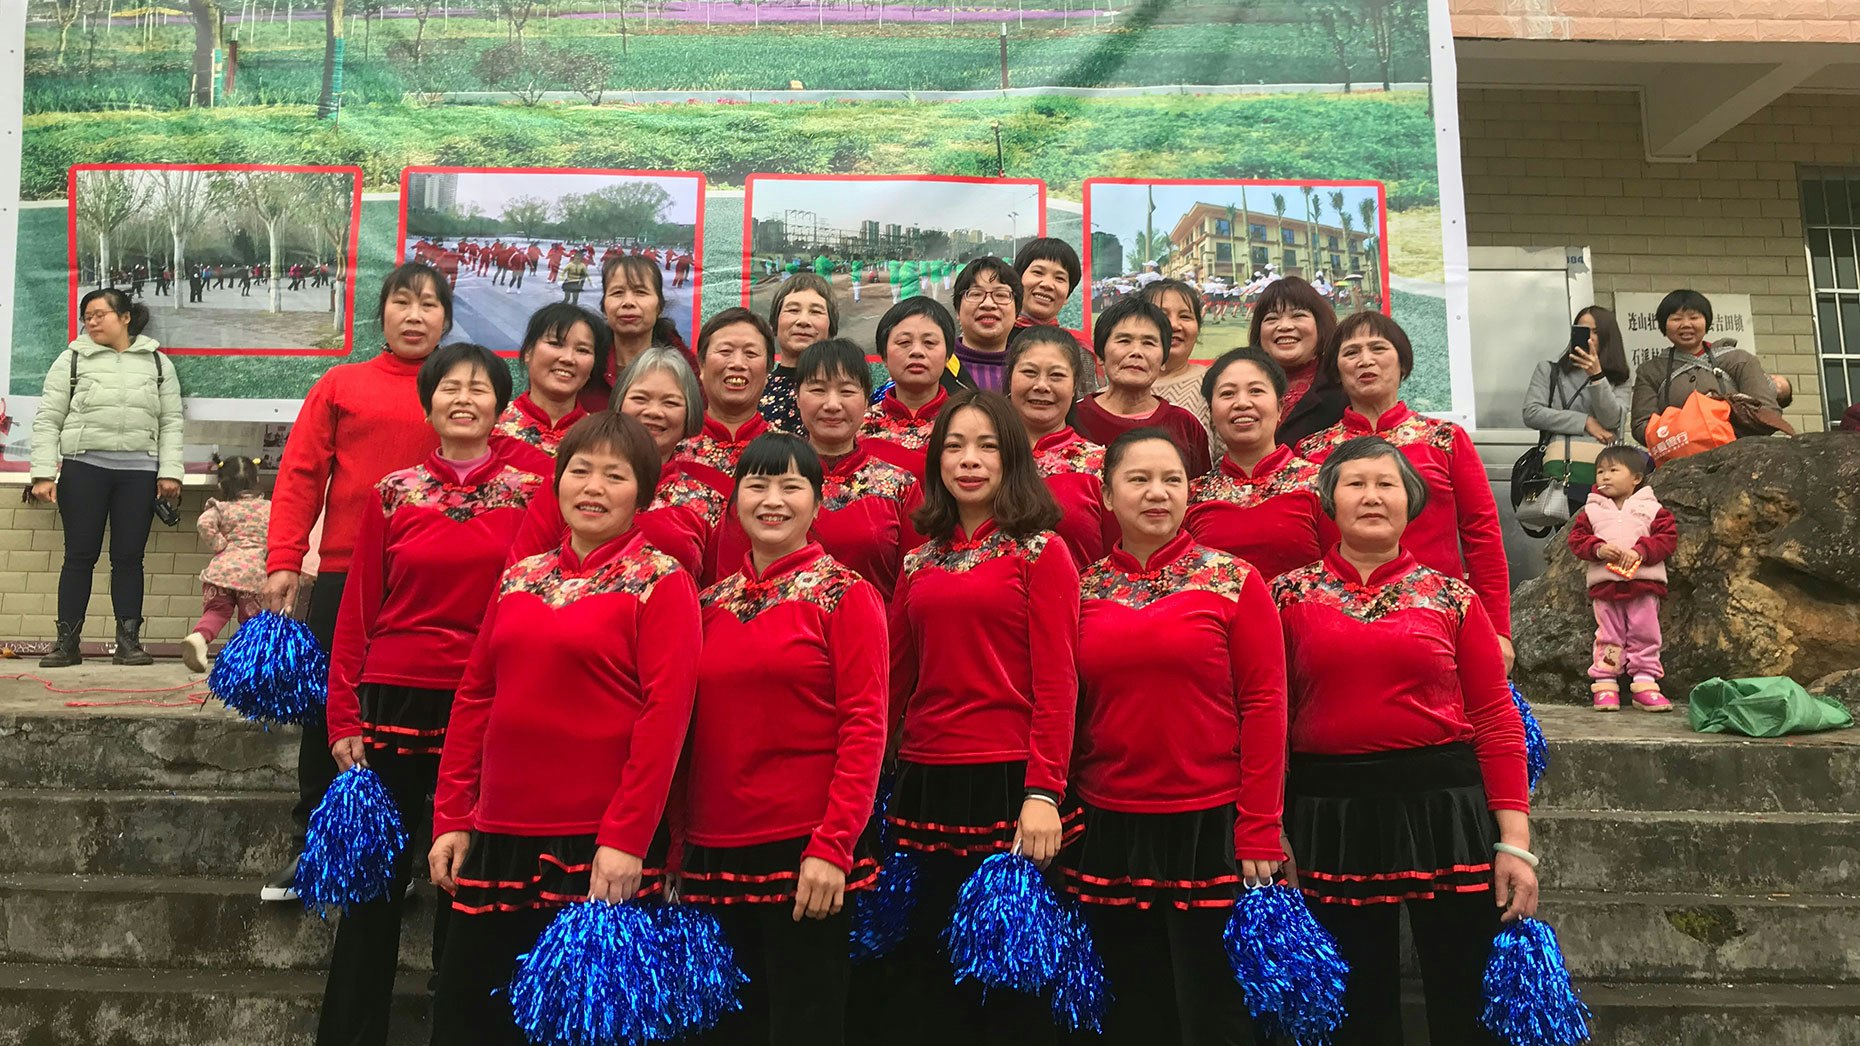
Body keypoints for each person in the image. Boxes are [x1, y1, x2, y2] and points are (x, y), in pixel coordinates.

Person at [428, 413, 699, 1046]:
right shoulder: (521, 577)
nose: (593, 488)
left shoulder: (663, 581)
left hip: (597, 845)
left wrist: (627, 838)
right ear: (556, 482)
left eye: (615, 475)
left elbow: (666, 718)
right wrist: (452, 815)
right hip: (497, 832)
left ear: (644, 493)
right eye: (580, 471)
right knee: (470, 1015)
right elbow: (475, 696)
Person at [316, 342, 544, 1046]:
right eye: (450, 387)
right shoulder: (393, 492)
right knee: (374, 891)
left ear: (502, 403)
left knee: (469, 882)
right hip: (393, 699)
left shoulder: (536, 490)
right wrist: (342, 712)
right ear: (429, 402)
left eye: (480, 387)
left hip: (489, 705)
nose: (465, 397)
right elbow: (357, 609)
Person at [1273, 436, 1536, 1045]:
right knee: (1351, 997)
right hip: (1326, 812)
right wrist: (1269, 821)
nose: (1371, 496)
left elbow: (1496, 719)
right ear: (1327, 500)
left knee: (1462, 983)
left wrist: (1516, 842)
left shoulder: (1452, 598)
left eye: (1386, 484)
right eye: (1355, 484)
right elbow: (1267, 717)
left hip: (1445, 807)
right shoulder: (1283, 597)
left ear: (1411, 502)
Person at [1062, 429, 1286, 1046]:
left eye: (1172, 480)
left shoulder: (1234, 580)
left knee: (1213, 1004)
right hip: (1108, 823)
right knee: (1131, 1003)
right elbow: (1067, 707)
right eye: (1138, 480)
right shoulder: (1081, 590)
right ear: (1107, 496)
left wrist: (1260, 822)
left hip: (1210, 823)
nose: (1156, 493)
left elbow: (1266, 705)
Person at [879, 389, 1079, 1045]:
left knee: (1010, 981)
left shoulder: (1040, 551)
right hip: (925, 781)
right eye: (955, 446)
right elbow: (893, 684)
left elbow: (1058, 681)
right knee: (930, 972)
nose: (969, 460)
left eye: (986, 446)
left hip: (1010, 785)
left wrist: (1044, 789)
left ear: (1012, 459)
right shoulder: (919, 559)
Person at [682, 433, 887, 1046]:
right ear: (735, 500)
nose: (773, 500)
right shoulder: (707, 604)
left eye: (791, 486)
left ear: (818, 503)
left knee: (803, 1021)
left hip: (804, 848)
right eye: (758, 485)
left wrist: (833, 845)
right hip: (711, 847)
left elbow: (865, 726)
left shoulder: (845, 596)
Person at [259, 263, 448, 903]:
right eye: (403, 302)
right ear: (382, 313)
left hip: (432, 583)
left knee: (426, 721)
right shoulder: (342, 384)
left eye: (429, 305)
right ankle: (312, 848)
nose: (415, 316)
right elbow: (302, 475)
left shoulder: (459, 389)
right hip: (344, 574)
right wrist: (285, 556)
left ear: (447, 320)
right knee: (329, 712)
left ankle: (418, 854)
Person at [1296, 311, 1514, 667]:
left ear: (1402, 363)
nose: (1365, 360)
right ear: (1336, 371)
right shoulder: (1310, 452)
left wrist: (1498, 631)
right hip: (1335, 626)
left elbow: (1482, 534)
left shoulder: (1445, 439)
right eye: (1351, 352)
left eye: (1378, 348)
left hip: (1438, 619)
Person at [28, 288, 183, 669]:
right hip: (83, 469)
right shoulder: (72, 360)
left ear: (125, 317)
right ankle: (67, 644)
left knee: (129, 559)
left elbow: (171, 422)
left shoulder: (157, 363)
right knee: (78, 558)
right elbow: (48, 418)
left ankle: (129, 643)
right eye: (87, 316)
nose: (92, 322)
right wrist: (43, 474)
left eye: (100, 314)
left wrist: (169, 472)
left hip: (139, 473)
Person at [509, 347, 718, 577]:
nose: (654, 412)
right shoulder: (570, 483)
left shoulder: (707, 501)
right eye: (640, 398)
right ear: (619, 402)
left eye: (670, 403)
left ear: (690, 413)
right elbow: (520, 573)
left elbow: (716, 593)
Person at [1186, 347, 1336, 581]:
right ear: (1212, 413)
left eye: (1256, 391)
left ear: (1280, 409)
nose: (1242, 403)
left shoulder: (1322, 485)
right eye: (1227, 394)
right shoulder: (1191, 496)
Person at [1566, 446, 1676, 712]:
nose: (1605, 477)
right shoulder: (1591, 511)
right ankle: (1605, 682)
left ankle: (1645, 682)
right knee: (1608, 635)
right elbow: (1577, 540)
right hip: (1606, 586)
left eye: (1614, 471)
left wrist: (1641, 551)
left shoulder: (1652, 509)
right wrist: (1598, 549)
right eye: (1600, 472)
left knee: (1645, 632)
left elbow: (1667, 538)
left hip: (1644, 583)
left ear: (1636, 478)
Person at [1006, 325, 1110, 567]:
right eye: (1029, 372)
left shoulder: (1102, 465)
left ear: (1075, 386)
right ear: (1010, 378)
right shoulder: (984, 457)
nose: (1042, 385)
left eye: (1056, 376)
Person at [1073, 296, 1212, 477]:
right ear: (1100, 356)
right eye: (1124, 341)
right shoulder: (1073, 418)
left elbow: (1196, 496)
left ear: (1163, 360)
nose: (1136, 352)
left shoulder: (1185, 424)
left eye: (1149, 343)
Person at [1630, 288, 1777, 444]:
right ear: (1664, 325)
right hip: (1678, 459)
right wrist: (1687, 433)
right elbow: (1642, 425)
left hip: (1738, 456)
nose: (1686, 324)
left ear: (1707, 322)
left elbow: (1768, 413)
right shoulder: (1650, 371)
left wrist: (1721, 430)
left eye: (1694, 317)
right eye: (1676, 319)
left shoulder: (1739, 360)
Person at [1522, 305, 1631, 511]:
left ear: (1608, 336)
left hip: (1604, 473)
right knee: (1564, 537)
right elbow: (1532, 413)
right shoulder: (1549, 371)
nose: (1588, 337)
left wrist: (1597, 376)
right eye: (1582, 330)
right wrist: (1585, 422)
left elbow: (1612, 420)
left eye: (1596, 331)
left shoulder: (1620, 378)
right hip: (1559, 471)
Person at [675, 307, 777, 502]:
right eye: (725, 351)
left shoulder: (791, 454)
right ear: (701, 366)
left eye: (751, 353)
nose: (737, 363)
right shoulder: (673, 447)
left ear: (767, 372)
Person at [180, 455, 269, 674]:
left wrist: (221, 545)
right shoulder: (269, 508)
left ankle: (199, 638)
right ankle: (252, 663)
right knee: (253, 621)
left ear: (221, 484)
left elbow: (204, 522)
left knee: (217, 612)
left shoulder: (222, 508)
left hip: (222, 572)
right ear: (256, 479)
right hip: (254, 574)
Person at [860, 297, 961, 480]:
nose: (917, 351)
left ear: (948, 355)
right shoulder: (858, 426)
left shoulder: (967, 422)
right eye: (904, 343)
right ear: (883, 354)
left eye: (929, 343)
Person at [496, 304, 605, 458]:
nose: (568, 358)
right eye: (555, 344)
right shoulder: (489, 424)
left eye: (582, 350)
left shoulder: (603, 437)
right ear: (528, 352)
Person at [590, 253, 694, 410]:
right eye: (617, 293)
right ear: (604, 307)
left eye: (640, 292)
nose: (628, 303)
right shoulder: (586, 365)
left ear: (660, 306)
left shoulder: (685, 368)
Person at [1249, 277, 1343, 448]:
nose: (1284, 326)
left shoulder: (1343, 385)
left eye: (1298, 315)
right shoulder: (1241, 384)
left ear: (1319, 325)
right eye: (1271, 318)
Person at [1140, 278, 1220, 455]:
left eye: (1185, 316)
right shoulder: (1116, 389)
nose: (1174, 325)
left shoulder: (1216, 384)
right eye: (1162, 315)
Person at [1011, 237, 1099, 397]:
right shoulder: (993, 338)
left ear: (1067, 296)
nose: (1047, 284)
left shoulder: (1078, 350)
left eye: (1059, 278)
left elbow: (1084, 408)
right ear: (1017, 280)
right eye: (1038, 272)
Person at [761, 273, 837, 434]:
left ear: (831, 326)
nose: (803, 321)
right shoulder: (756, 391)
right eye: (793, 310)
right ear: (775, 322)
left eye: (816, 312)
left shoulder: (846, 393)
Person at [948, 256, 1023, 392]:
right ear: (957, 310)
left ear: (1017, 313)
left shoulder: (1029, 369)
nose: (988, 304)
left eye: (1001, 295)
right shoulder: (938, 365)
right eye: (976, 294)